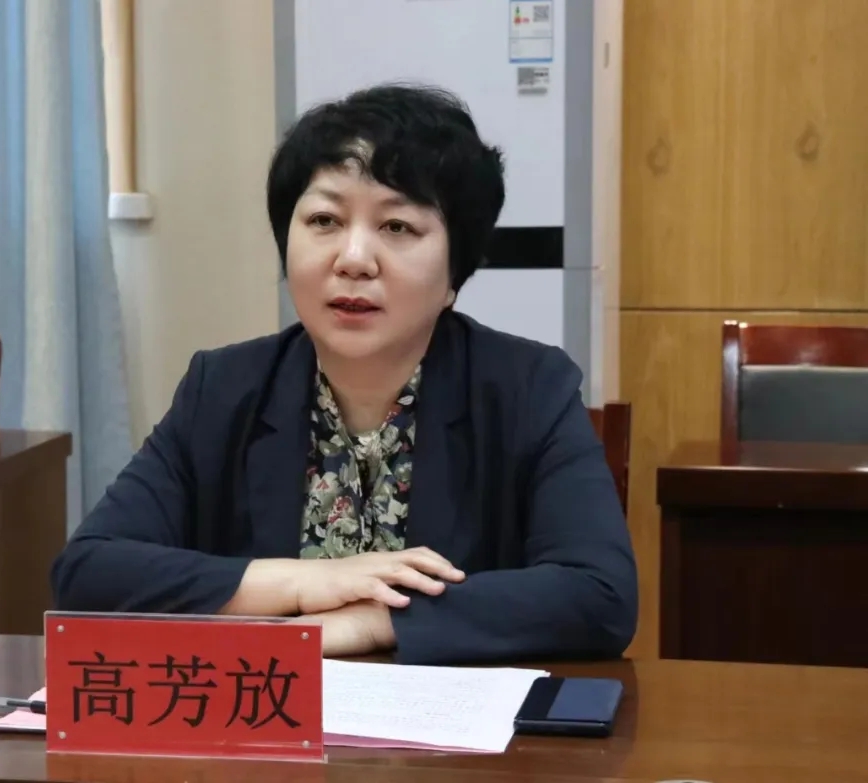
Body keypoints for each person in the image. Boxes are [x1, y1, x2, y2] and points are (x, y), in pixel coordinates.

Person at [51, 83, 638, 665]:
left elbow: (599, 595)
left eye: (397, 227)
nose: (353, 259)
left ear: (455, 272)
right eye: (325, 220)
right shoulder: (224, 388)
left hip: (447, 724)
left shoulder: (527, 388)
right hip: (268, 716)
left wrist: (373, 619)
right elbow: (89, 572)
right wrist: (305, 583)